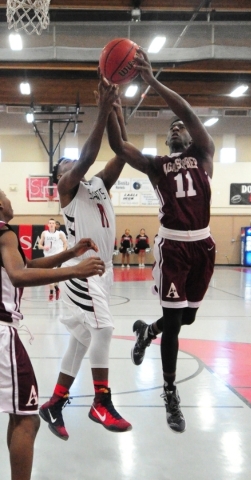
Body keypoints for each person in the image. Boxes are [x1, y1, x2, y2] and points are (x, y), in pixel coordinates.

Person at [107, 49, 215, 433]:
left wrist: (152, 82)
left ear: (187, 135)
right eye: (169, 127)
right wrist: (111, 108)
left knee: (187, 317)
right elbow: (120, 147)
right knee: (175, 323)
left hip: (202, 246)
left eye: (179, 127)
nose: (175, 128)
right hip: (172, 247)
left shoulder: (203, 154)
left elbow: (186, 111)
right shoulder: (157, 165)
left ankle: (147, 331)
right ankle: (170, 393)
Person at [39, 76, 132, 441]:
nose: (70, 165)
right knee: (104, 329)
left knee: (80, 342)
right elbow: (89, 155)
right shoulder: (67, 190)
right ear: (60, 177)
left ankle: (54, 404)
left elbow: (121, 151)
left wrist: (116, 112)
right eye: (64, 164)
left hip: (103, 272)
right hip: (84, 271)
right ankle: (100, 401)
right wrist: (103, 109)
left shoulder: (98, 184)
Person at [0, 189, 105, 480]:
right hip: (1, 332)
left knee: (20, 413)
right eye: (8, 197)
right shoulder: (4, 233)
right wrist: (75, 271)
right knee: (27, 419)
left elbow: (28, 266)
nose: (11, 201)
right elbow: (19, 275)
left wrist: (70, 254)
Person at [38, 218, 68, 300]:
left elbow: (65, 243)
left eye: (53, 223)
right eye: (50, 223)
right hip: (47, 256)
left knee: (52, 274)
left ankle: (51, 294)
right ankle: (56, 289)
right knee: (49, 275)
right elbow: (39, 245)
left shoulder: (60, 234)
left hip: (56, 255)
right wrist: (44, 247)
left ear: (55, 225)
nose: (51, 224)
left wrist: (63, 252)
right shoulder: (44, 233)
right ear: (48, 225)